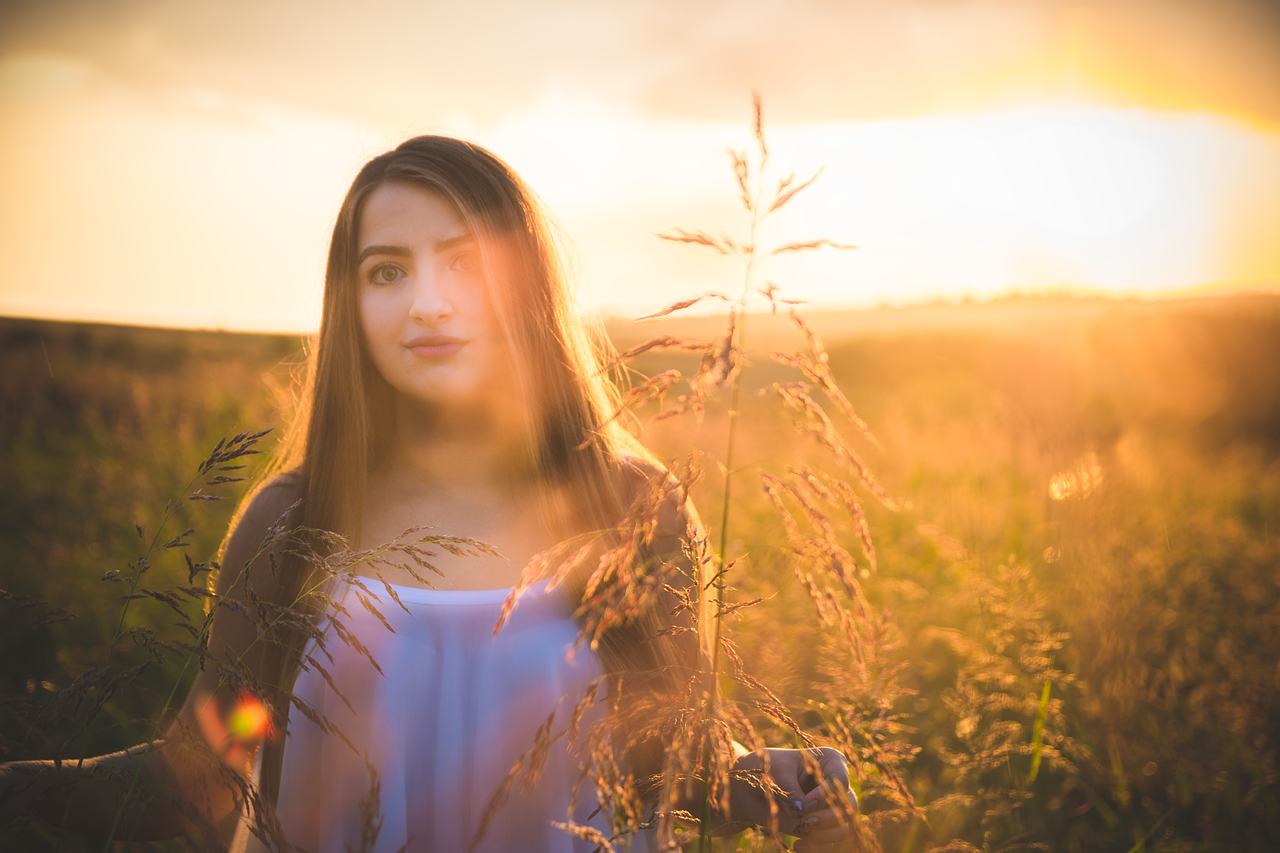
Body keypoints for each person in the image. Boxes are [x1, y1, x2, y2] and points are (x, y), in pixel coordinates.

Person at [0, 136, 858, 852]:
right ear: (352, 302)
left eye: (464, 263)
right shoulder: (295, 522)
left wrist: (791, 784)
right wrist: (21, 787)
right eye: (386, 272)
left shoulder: (632, 506)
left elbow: (687, 764)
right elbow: (203, 772)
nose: (428, 303)